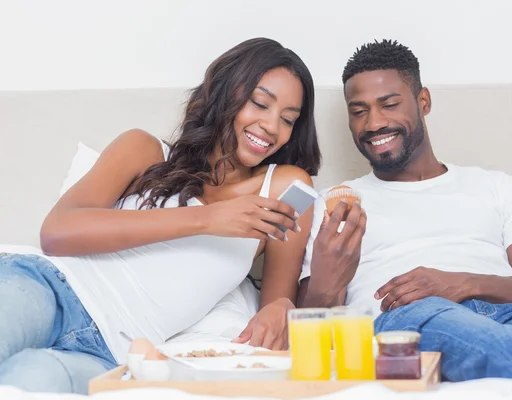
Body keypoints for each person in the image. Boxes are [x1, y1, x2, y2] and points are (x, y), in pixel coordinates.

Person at [0, 37, 321, 393]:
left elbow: (277, 300)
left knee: (27, 382)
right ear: (225, 92)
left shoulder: (287, 187)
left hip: (109, 353)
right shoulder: (144, 150)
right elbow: (57, 232)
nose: (272, 127)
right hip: (51, 287)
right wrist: (206, 219)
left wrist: (284, 307)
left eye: (288, 119)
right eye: (260, 103)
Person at [298, 39, 512, 383]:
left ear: (423, 101)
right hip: (412, 316)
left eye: (389, 104)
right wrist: (326, 279)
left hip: (510, 310)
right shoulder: (337, 205)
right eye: (358, 111)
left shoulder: (499, 188)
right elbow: (309, 320)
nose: (373, 123)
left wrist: (458, 284)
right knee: (497, 345)